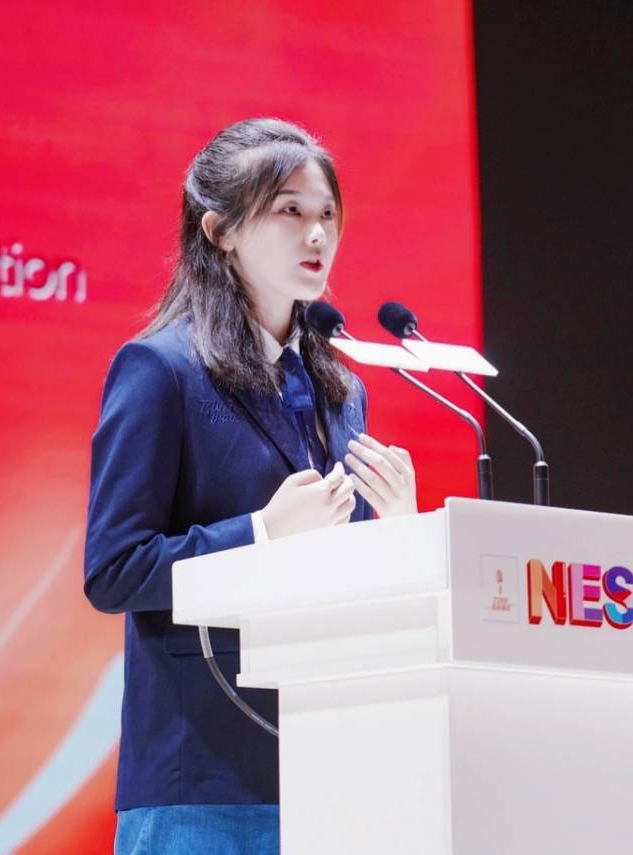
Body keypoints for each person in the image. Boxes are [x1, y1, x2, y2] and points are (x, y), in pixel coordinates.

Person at [84, 118, 418, 854]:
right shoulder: (160, 369)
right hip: (201, 778)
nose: (317, 234)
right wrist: (262, 533)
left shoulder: (342, 391)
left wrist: (398, 537)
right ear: (221, 231)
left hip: (330, 767)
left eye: (327, 212)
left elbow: (342, 577)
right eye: (289, 210)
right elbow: (114, 570)